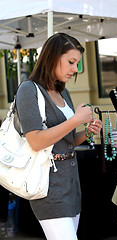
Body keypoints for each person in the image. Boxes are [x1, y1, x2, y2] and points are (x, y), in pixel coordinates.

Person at [16, 33, 102, 240]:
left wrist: (85, 132)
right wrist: (75, 120)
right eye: (71, 62)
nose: (75, 69)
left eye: (77, 63)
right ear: (53, 57)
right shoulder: (29, 90)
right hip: (48, 185)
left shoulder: (63, 92)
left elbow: (67, 142)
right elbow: (36, 141)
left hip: (71, 183)